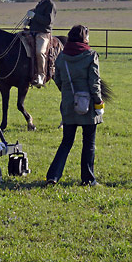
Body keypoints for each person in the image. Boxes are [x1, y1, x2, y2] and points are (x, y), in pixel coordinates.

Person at [46, 25, 104, 186]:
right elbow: (94, 82)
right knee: (89, 143)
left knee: (66, 142)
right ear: (84, 38)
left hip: (68, 104)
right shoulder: (90, 55)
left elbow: (57, 79)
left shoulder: (62, 57)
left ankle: (53, 176)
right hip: (88, 105)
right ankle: (88, 179)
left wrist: (67, 94)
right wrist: (98, 100)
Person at [26, 0, 57, 87]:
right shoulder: (39, 4)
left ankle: (41, 75)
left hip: (43, 34)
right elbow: (37, 20)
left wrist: (34, 16)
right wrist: (29, 22)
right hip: (33, 32)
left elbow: (48, 21)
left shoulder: (50, 5)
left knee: (40, 52)